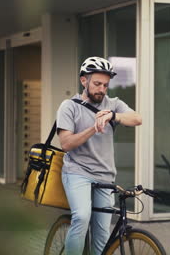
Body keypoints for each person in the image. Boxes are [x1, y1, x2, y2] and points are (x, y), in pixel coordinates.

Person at [56, 56, 142, 255]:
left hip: (105, 175)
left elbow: (137, 118)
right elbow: (66, 144)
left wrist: (113, 116)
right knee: (82, 217)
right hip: (77, 172)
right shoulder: (69, 107)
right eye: (97, 84)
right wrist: (93, 128)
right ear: (84, 80)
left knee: (102, 233)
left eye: (105, 85)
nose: (101, 89)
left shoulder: (113, 104)